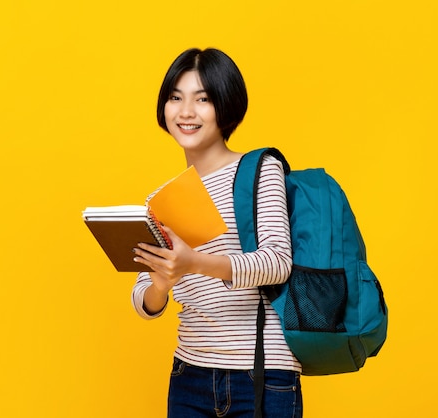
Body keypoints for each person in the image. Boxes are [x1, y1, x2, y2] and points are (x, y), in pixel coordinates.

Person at [131, 48, 303, 418]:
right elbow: (145, 301)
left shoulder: (259, 170)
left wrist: (194, 262)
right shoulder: (160, 200)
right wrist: (161, 282)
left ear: (226, 105)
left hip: (262, 372)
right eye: (175, 98)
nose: (186, 111)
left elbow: (276, 263)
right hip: (188, 373)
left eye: (202, 99)